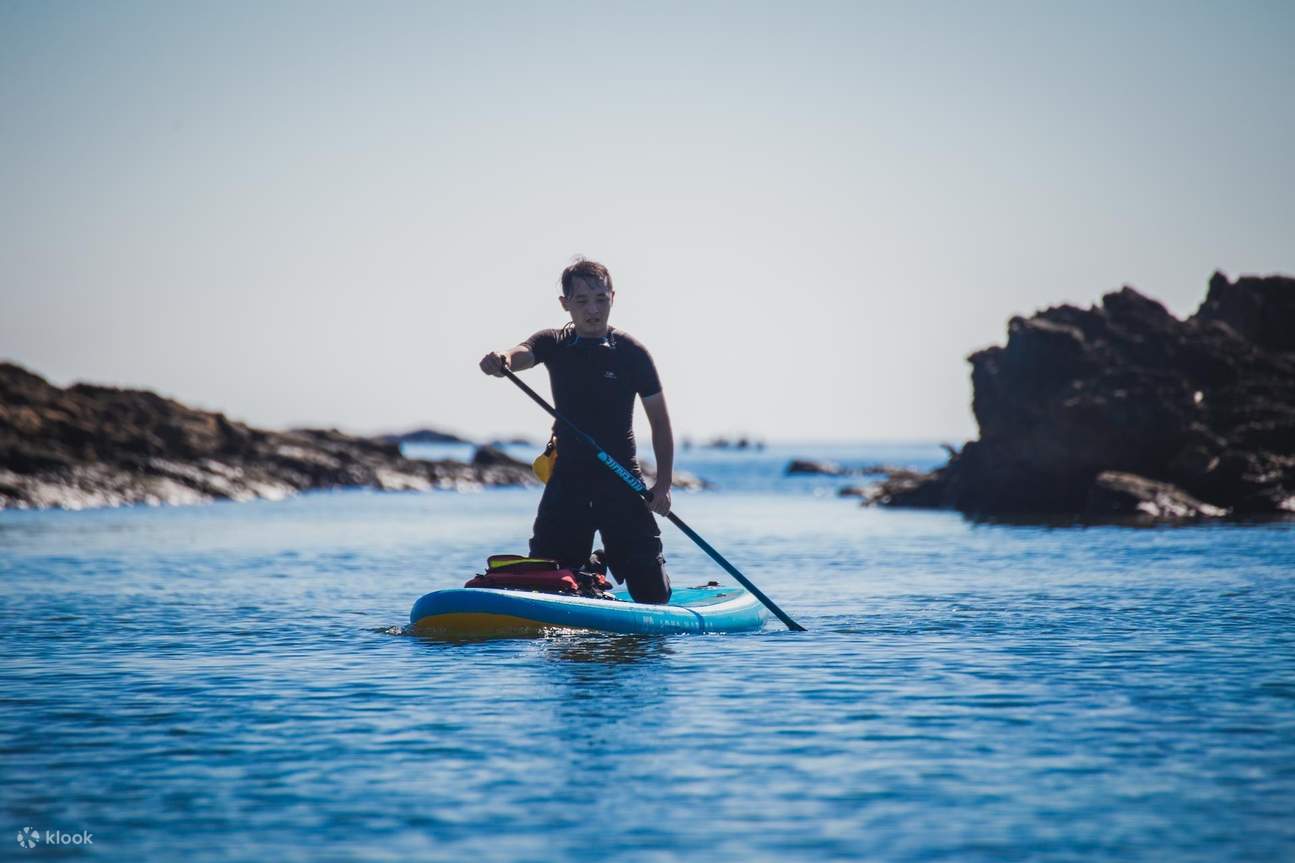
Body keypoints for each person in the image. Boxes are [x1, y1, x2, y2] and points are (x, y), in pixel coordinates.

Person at [478, 259, 673, 604]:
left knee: (654, 596)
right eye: (581, 301)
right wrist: (503, 358)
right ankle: (586, 572)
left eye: (601, 299)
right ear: (565, 304)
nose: (593, 311)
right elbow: (524, 352)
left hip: (621, 480)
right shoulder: (555, 342)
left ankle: (599, 562)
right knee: (544, 583)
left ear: (613, 297)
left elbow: (659, 421)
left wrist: (663, 486)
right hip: (568, 479)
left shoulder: (632, 353)